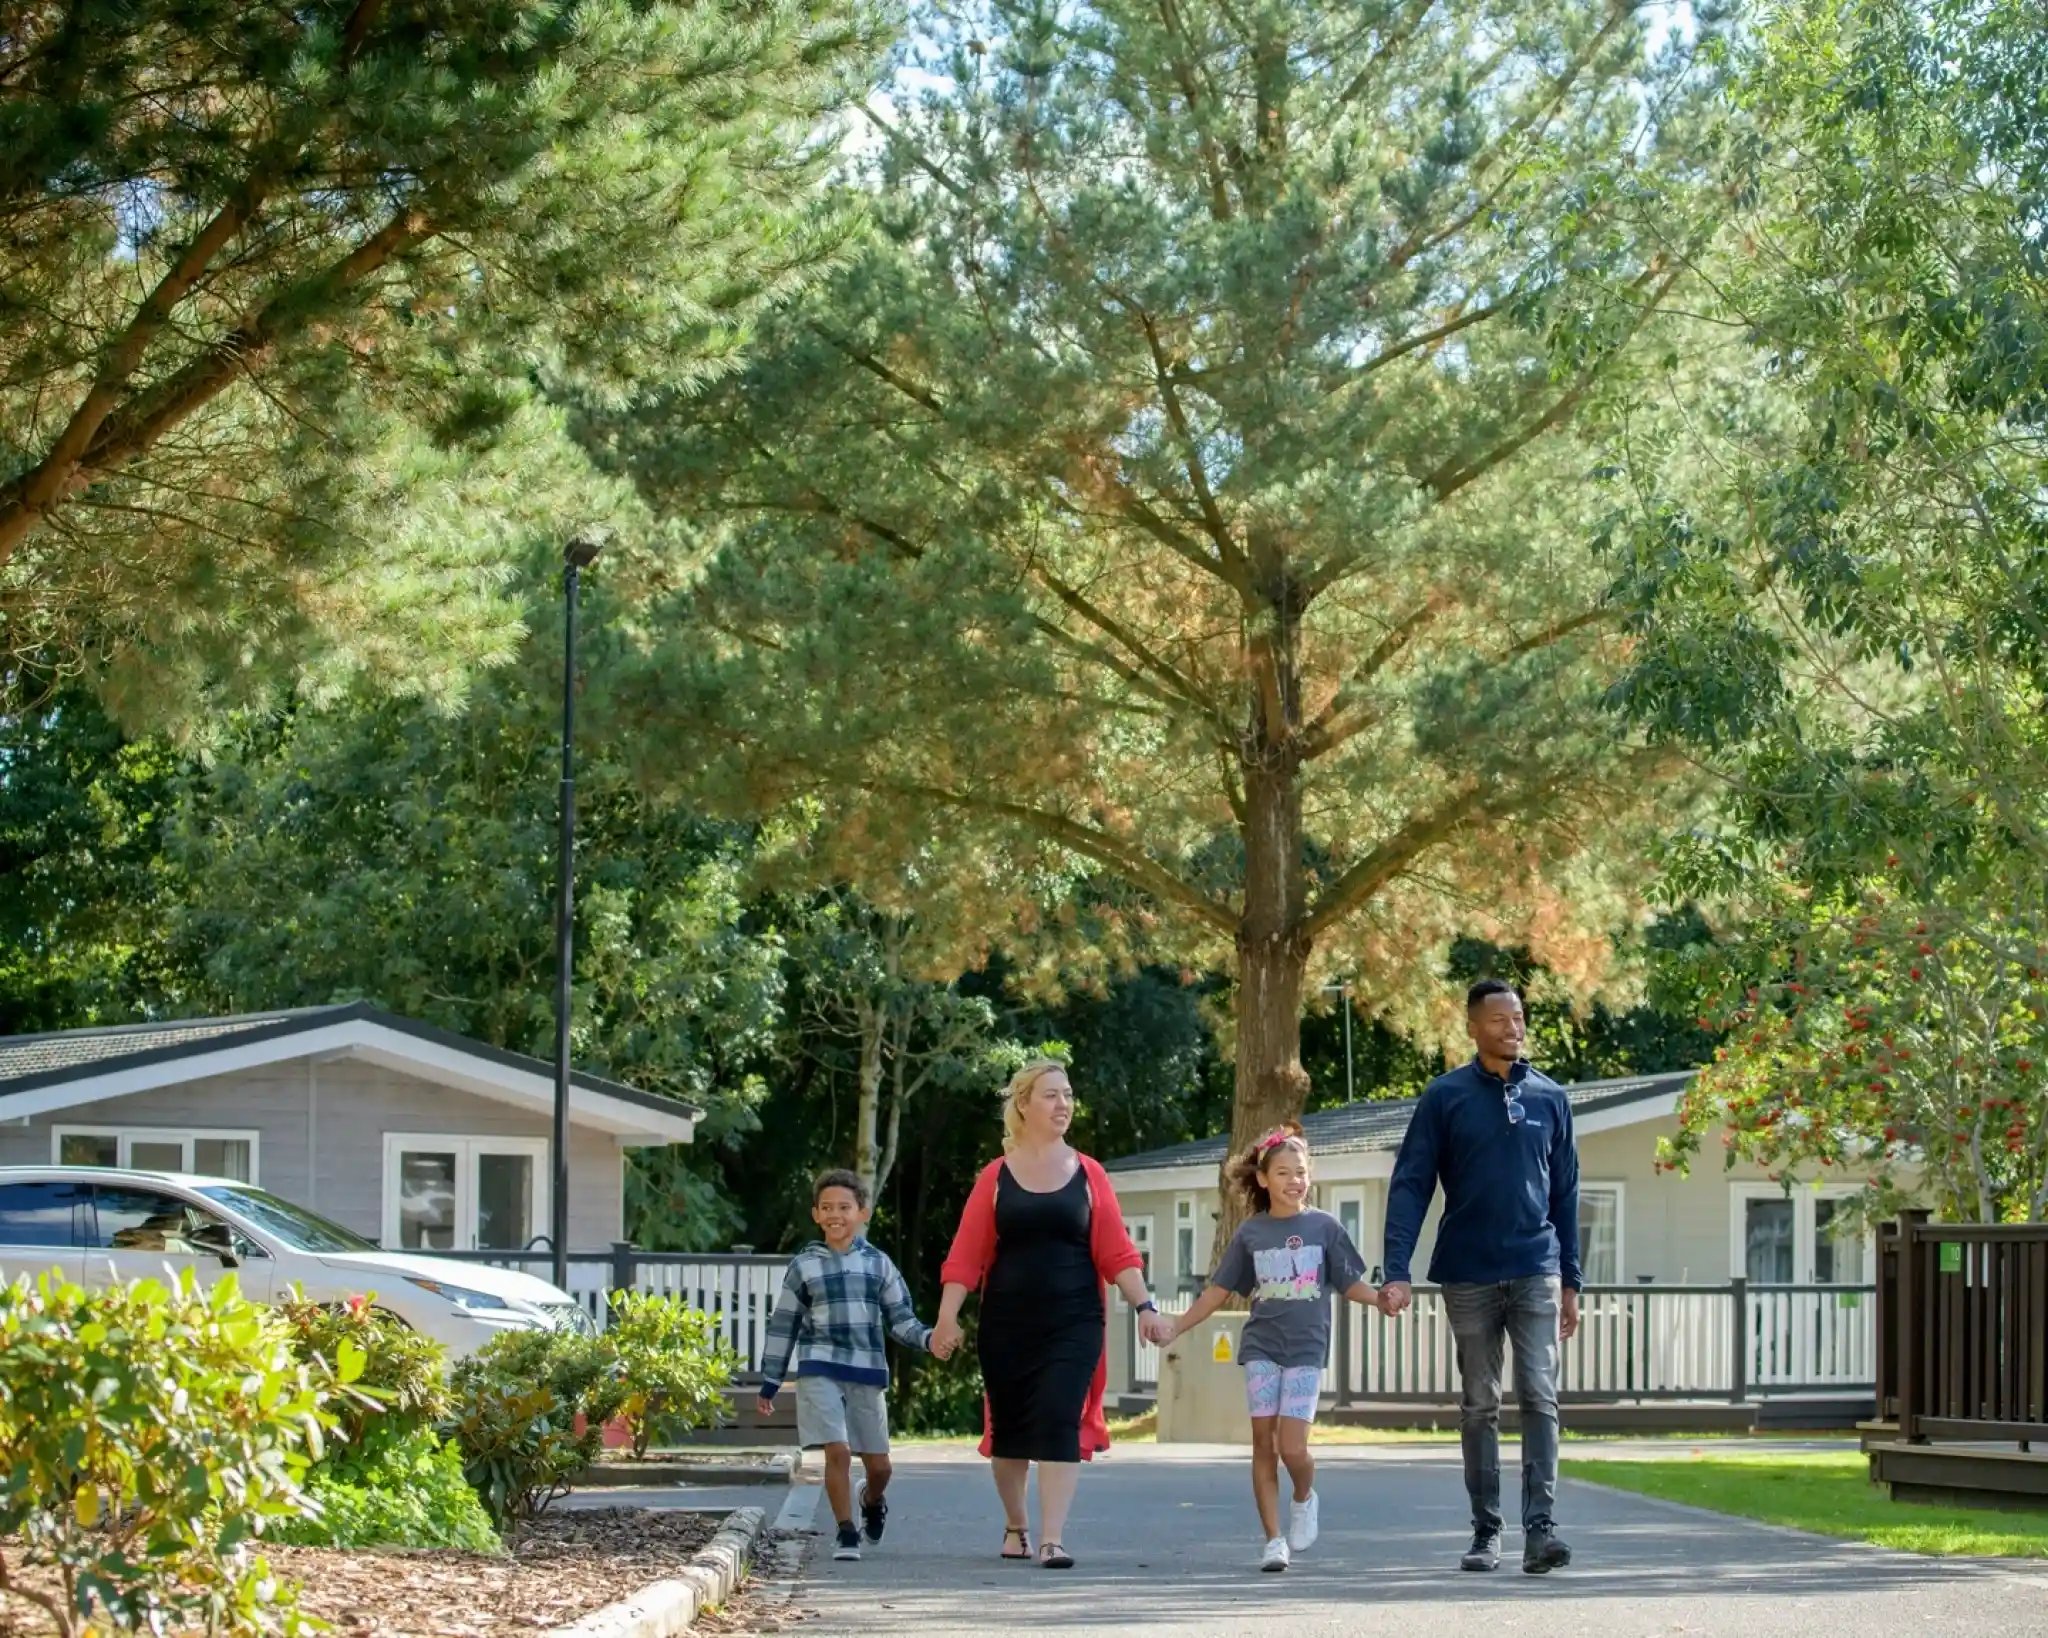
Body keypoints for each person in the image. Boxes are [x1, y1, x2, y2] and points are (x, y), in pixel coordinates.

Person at [932, 1058, 1172, 1570]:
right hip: (1007, 1322)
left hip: (1075, 1321)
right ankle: (1017, 1525)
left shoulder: (1089, 1174)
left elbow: (1117, 1252)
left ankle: (1052, 1538)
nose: (1063, 1104)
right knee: (1011, 1429)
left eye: (1067, 1094)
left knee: (1061, 1417)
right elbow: (966, 1254)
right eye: (1051, 1095)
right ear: (1024, 1104)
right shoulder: (995, 1177)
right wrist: (948, 1317)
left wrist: (1146, 1306)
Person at [1380, 978, 1584, 1575]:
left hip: (1535, 1268)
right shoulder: (1445, 1098)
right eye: (1498, 1020)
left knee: (1541, 1396)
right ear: (1473, 1028)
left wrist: (1572, 1279)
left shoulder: (1551, 1099)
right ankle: (1486, 1528)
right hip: (1467, 1273)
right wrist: (1397, 1267)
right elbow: (1412, 1184)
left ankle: (1542, 1529)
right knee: (1479, 1404)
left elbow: (1566, 1194)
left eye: (1518, 1017)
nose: (1512, 1028)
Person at [1166, 1123, 1381, 1572]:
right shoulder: (1251, 1234)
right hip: (1262, 1346)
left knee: (1292, 1448)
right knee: (1262, 1443)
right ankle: (1273, 1540)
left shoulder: (1325, 1227)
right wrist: (1176, 1327)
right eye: (1283, 1173)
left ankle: (1304, 1496)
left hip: (1306, 1348)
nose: (1294, 1181)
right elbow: (1217, 1292)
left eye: (1300, 1172)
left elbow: (1350, 1283)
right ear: (1263, 1179)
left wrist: (1383, 1299)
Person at [757, 1168, 951, 1563]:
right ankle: (846, 1532)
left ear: (863, 1212)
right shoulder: (804, 1266)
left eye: (844, 1207)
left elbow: (901, 1319)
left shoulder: (878, 1264)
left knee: (879, 1466)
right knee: (837, 1450)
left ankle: (871, 1499)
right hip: (819, 1365)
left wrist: (930, 1339)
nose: (835, 1214)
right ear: (815, 1214)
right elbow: (784, 1324)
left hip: (866, 1368)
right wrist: (771, 1379)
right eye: (826, 1207)